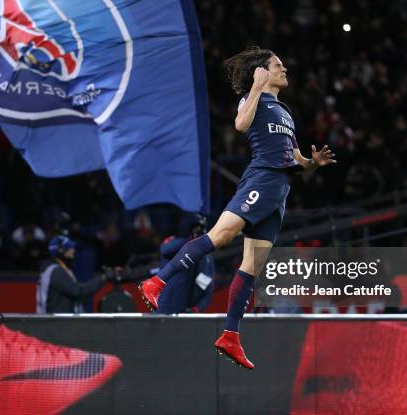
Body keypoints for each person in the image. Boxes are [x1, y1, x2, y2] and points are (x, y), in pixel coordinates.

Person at [140, 46, 336, 369]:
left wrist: (312, 163)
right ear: (263, 71)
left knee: (251, 266)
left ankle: (230, 335)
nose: (284, 69)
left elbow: (295, 159)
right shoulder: (253, 99)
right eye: (278, 65)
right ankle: (158, 281)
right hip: (261, 180)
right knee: (221, 235)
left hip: (279, 191)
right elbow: (241, 125)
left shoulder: (285, 112)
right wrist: (256, 87)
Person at [155, 213, 214, 314]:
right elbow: (165, 250)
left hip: (188, 311)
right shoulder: (173, 244)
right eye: (195, 229)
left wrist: (198, 308)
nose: (198, 233)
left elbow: (206, 285)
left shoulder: (204, 257)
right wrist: (191, 241)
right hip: (165, 308)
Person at [37, 235, 107, 313]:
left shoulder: (54, 269)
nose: (73, 250)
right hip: (56, 322)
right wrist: (103, 278)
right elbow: (78, 291)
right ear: (60, 251)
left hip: (56, 320)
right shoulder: (56, 271)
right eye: (69, 248)